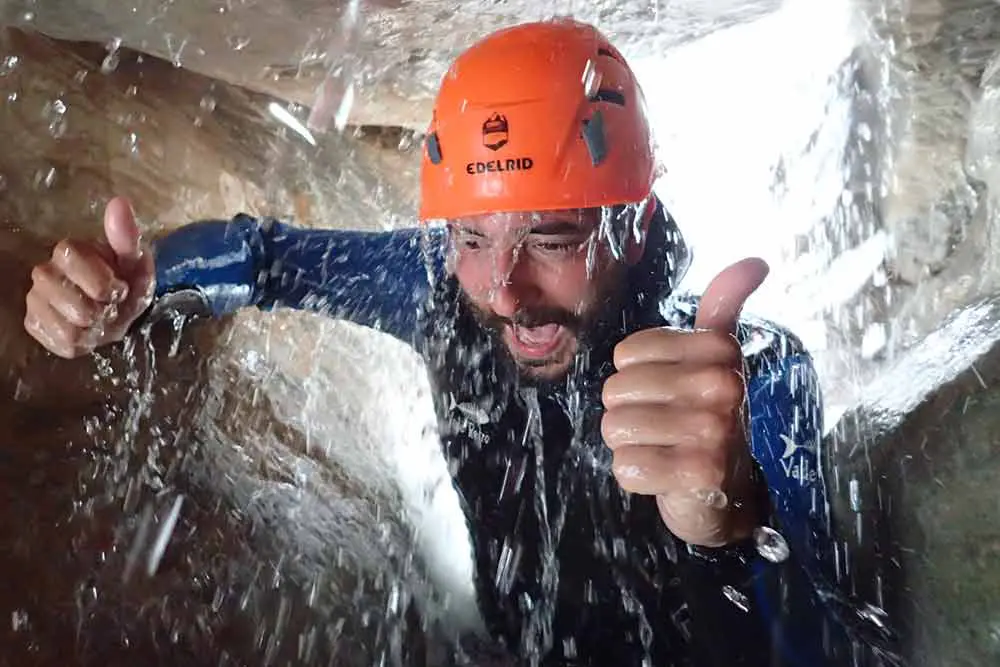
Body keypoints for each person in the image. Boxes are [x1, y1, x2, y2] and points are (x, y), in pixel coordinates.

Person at [23, 18, 869, 667]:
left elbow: (833, 647)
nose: (505, 290)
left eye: (550, 238)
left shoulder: (746, 377)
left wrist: (727, 527)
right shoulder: (437, 288)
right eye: (473, 238)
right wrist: (139, 290)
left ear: (635, 225)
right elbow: (262, 257)